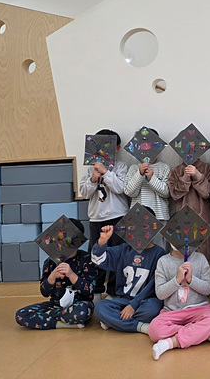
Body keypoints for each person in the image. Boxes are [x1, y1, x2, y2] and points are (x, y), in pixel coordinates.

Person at [16, 220, 97, 329]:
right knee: (21, 314)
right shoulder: (50, 262)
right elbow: (44, 292)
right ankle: (60, 323)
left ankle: (49, 317)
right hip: (55, 305)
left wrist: (71, 275)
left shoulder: (86, 259)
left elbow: (90, 292)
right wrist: (52, 277)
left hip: (78, 304)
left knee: (82, 312)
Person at [78, 128, 129, 300]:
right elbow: (85, 193)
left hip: (118, 216)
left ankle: (114, 291)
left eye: (109, 145)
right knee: (95, 254)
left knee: (117, 254)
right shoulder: (90, 169)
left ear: (117, 148)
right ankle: (96, 290)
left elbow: (121, 188)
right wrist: (93, 178)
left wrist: (106, 173)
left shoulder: (121, 166)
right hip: (96, 217)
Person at [147, 245, 210, 360]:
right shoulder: (163, 261)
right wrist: (177, 280)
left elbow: (208, 289)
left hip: (199, 309)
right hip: (172, 311)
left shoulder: (201, 259)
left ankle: (170, 343)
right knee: (153, 330)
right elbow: (160, 294)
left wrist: (191, 279)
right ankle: (201, 334)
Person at [91, 222, 166, 333]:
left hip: (145, 301)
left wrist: (133, 305)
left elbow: (153, 284)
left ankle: (114, 321)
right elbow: (98, 260)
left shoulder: (159, 253)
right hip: (124, 299)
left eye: (144, 227)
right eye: (132, 228)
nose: (138, 232)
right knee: (100, 308)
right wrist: (102, 241)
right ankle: (139, 326)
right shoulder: (123, 249)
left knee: (153, 309)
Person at [124, 130, 171, 250]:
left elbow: (166, 192)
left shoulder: (164, 168)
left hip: (159, 216)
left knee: (159, 250)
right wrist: (139, 174)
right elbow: (129, 192)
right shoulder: (134, 168)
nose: (146, 148)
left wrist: (151, 178)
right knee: (139, 250)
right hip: (137, 217)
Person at [168, 158, 210, 264]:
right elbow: (174, 194)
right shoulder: (176, 170)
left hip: (202, 217)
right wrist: (185, 177)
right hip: (182, 218)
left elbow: (207, 193)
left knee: (203, 252)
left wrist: (197, 175)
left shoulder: (206, 168)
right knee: (182, 251)